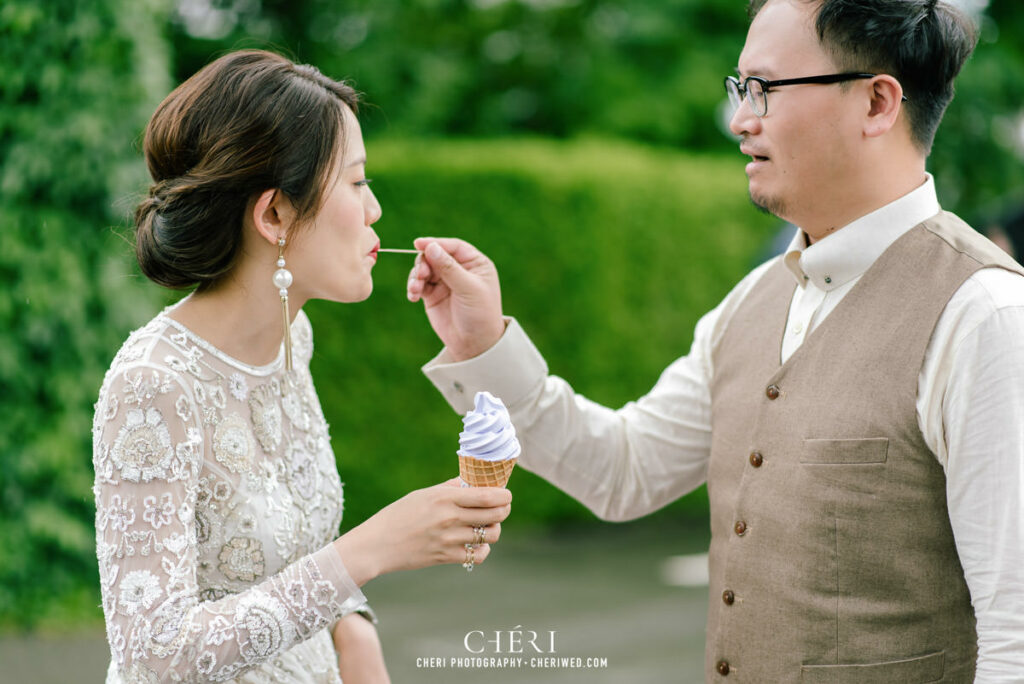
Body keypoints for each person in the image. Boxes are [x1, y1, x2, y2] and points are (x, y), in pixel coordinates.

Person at [405, 0, 1024, 681]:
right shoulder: (750, 302)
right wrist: (484, 344)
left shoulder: (984, 313)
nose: (740, 120)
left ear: (878, 103)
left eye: (764, 89)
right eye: (739, 88)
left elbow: (1013, 632)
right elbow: (622, 471)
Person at [92, 50, 512, 683]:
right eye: (357, 181)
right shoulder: (153, 386)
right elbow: (152, 653)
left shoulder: (296, 337)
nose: (375, 210)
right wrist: (371, 550)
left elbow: (296, 552)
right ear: (275, 215)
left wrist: (355, 631)